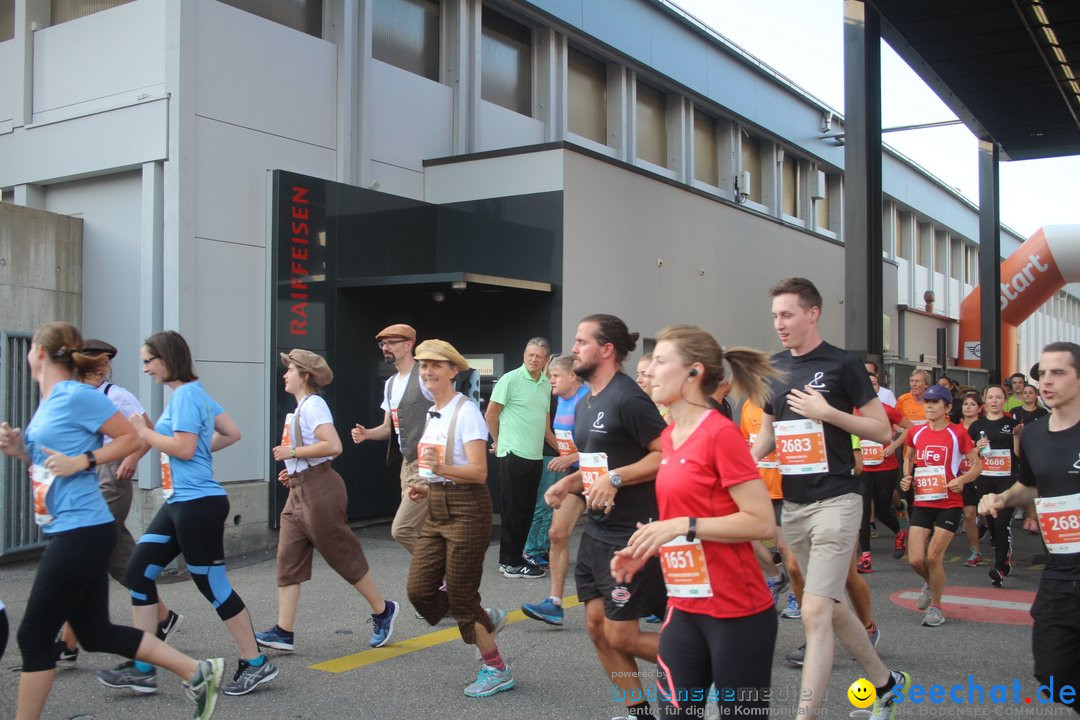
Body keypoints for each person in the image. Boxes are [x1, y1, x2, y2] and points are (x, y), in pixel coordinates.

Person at [0, 322, 223, 720]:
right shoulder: (49, 399)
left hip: (82, 529)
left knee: (33, 636)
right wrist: (20, 449)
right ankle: (196, 671)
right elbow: (50, 463)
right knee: (94, 633)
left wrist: (83, 461)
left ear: (38, 351)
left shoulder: (75, 395)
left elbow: (132, 439)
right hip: (69, 526)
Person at [751, 278, 909, 718]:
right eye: (775, 317)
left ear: (812, 313)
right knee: (832, 607)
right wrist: (735, 465)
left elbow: (881, 429)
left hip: (838, 500)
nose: (779, 324)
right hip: (795, 506)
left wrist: (829, 413)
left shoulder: (843, 364)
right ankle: (887, 684)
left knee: (815, 612)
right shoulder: (772, 368)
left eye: (787, 315)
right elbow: (766, 437)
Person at [611, 325, 777, 717]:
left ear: (693, 373)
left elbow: (761, 521)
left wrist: (683, 525)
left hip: (737, 611)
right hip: (685, 606)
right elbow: (677, 519)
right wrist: (646, 549)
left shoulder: (721, 434)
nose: (648, 370)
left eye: (661, 361)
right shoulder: (669, 437)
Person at [98, 330, 275, 698]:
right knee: (137, 572)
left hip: (199, 504)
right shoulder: (194, 395)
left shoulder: (186, 398)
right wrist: (198, 454)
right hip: (181, 501)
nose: (145, 369)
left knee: (212, 585)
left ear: (166, 358)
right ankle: (143, 666)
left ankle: (256, 663)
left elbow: (181, 447)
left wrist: (143, 434)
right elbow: (232, 432)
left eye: (149, 361)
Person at [545, 314, 667, 720]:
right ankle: (638, 711)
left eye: (582, 341)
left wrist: (615, 478)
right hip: (597, 532)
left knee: (623, 634)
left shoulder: (628, 398)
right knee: (597, 627)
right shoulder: (589, 399)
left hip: (630, 534)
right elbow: (602, 461)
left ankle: (705, 662)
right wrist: (573, 481)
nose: (574, 348)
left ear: (606, 350)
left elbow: (664, 455)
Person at [255, 350, 399, 653]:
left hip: (320, 489)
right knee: (288, 557)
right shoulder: (302, 407)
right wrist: (292, 472)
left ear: (305, 376)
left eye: (290, 370)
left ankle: (382, 609)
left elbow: (333, 446)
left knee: (340, 554)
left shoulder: (314, 405)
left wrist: (293, 455)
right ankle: (283, 631)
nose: (285, 375)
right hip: (300, 488)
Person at [54, 339, 182, 667]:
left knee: (83, 553)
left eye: (104, 365)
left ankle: (67, 643)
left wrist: (134, 459)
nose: (100, 370)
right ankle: (163, 616)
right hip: (85, 477)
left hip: (111, 478)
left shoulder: (118, 396)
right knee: (119, 558)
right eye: (93, 365)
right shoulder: (73, 394)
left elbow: (147, 432)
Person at [404, 340, 514, 698]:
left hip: (468, 508)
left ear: (454, 370)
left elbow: (479, 472)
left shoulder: (465, 411)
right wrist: (424, 483)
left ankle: (496, 668)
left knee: (463, 599)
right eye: (423, 366)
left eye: (436, 365)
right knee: (419, 591)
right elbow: (438, 469)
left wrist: (442, 469)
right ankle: (483, 618)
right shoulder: (432, 412)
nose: (428, 372)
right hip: (437, 506)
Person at [980, 343, 1080, 714]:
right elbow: (1031, 484)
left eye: (1058, 373)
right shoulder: (1035, 435)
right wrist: (1003, 498)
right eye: (1042, 374)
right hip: (1059, 570)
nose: (1045, 381)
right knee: (1052, 674)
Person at [900, 385, 981, 626]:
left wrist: (962, 480)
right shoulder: (917, 432)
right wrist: (907, 476)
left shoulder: (958, 433)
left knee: (934, 556)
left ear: (947, 408)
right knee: (915, 559)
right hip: (923, 501)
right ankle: (929, 583)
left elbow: (977, 465)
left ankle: (936, 607)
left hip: (949, 502)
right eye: (927, 402)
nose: (929, 407)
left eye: (935, 403)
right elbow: (909, 457)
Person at [351, 324, 433, 555]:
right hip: (406, 465)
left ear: (408, 345)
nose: (385, 348)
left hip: (426, 462)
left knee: (402, 529)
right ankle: (437, 580)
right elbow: (389, 428)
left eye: (391, 343)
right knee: (422, 527)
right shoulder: (390, 384)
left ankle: (435, 570)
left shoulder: (424, 377)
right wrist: (367, 434)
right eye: (383, 344)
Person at [522, 353, 589, 626]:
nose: (550, 380)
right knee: (556, 533)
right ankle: (555, 603)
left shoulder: (587, 401)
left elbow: (601, 447)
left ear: (573, 376)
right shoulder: (561, 399)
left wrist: (570, 458)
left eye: (555, 375)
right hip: (574, 479)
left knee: (622, 540)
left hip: (598, 477)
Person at [486, 338, 552, 579]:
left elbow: (546, 430)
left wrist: (569, 453)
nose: (534, 359)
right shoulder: (510, 379)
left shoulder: (546, 385)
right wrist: (498, 441)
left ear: (546, 360)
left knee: (525, 511)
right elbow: (491, 414)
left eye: (539, 356)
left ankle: (517, 557)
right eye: (530, 354)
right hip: (512, 453)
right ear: (524, 354)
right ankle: (509, 563)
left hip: (535, 456)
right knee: (513, 511)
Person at [968, 385, 1016, 586]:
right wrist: (976, 449)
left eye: (998, 397)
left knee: (1002, 519)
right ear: (984, 402)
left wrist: (1018, 436)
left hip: (1008, 478)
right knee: (991, 518)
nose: (994, 401)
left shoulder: (1012, 424)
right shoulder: (975, 426)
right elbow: (969, 455)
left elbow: (1020, 453)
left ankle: (999, 568)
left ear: (1004, 400)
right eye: (990, 397)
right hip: (985, 477)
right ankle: (1001, 547)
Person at [958, 390, 987, 567]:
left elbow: (988, 453)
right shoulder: (955, 428)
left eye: (972, 404)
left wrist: (976, 451)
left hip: (984, 475)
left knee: (987, 513)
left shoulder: (985, 427)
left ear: (979, 408)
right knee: (969, 515)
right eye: (965, 404)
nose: (968, 407)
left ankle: (986, 526)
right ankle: (975, 552)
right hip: (964, 475)